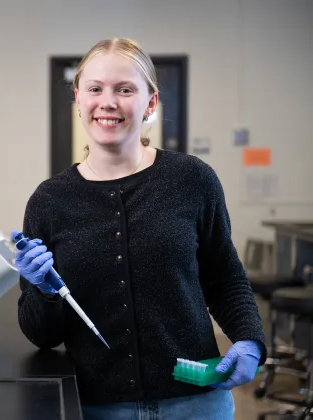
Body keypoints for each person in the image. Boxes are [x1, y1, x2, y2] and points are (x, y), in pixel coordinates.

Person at [13, 37, 266, 420]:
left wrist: (249, 340)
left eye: (125, 89)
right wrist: (43, 292)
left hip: (196, 402)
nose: (108, 102)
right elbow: (43, 337)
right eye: (95, 88)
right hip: (97, 407)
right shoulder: (50, 201)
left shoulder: (192, 179)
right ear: (79, 99)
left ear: (150, 102)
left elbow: (225, 277)